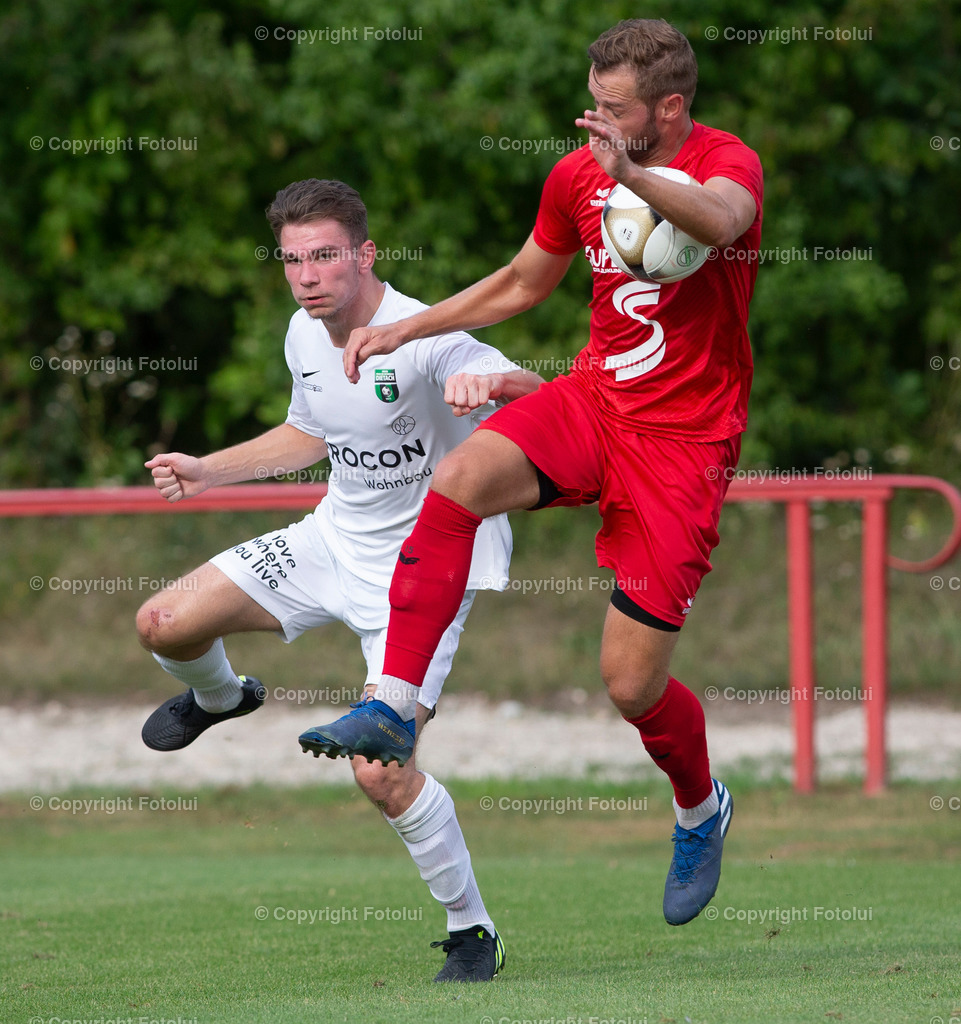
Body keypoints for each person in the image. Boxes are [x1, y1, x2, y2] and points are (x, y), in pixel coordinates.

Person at [303, 19, 763, 928]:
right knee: (462, 474)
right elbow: (522, 281)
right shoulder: (576, 171)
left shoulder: (723, 161)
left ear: (668, 108)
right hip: (594, 400)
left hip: (684, 443)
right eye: (593, 101)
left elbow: (721, 220)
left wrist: (633, 180)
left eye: (616, 108)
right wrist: (404, 327)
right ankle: (394, 705)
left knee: (630, 684)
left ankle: (700, 807)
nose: (595, 121)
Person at [135, 178, 543, 982]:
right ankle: (226, 697)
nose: (307, 276)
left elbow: (544, 393)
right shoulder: (301, 331)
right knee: (164, 623)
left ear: (364, 254)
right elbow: (308, 431)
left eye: (324, 256)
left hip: (423, 575)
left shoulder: (429, 336)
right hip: (331, 540)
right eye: (292, 261)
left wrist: (493, 385)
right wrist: (208, 471)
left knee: (379, 772)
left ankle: (471, 931)